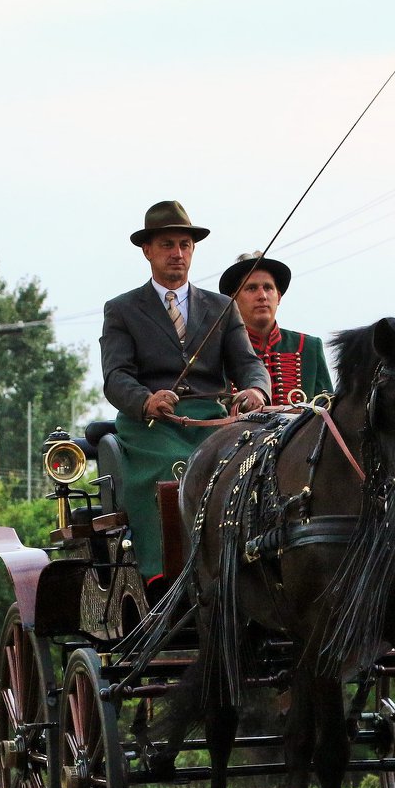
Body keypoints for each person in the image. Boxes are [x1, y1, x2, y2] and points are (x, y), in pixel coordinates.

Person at [100, 200, 270, 579]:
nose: (177, 253)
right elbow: (116, 376)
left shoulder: (222, 307)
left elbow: (248, 364)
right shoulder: (122, 309)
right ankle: (167, 573)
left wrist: (256, 390)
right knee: (175, 469)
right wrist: (146, 400)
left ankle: (247, 568)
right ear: (147, 250)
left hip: (212, 421)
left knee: (257, 466)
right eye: (167, 245)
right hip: (151, 427)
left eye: (185, 244)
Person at [218, 252, 332, 406]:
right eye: (251, 288)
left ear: (278, 297)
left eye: (268, 288)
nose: (262, 296)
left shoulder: (309, 347)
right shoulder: (218, 350)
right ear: (234, 299)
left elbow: (327, 408)